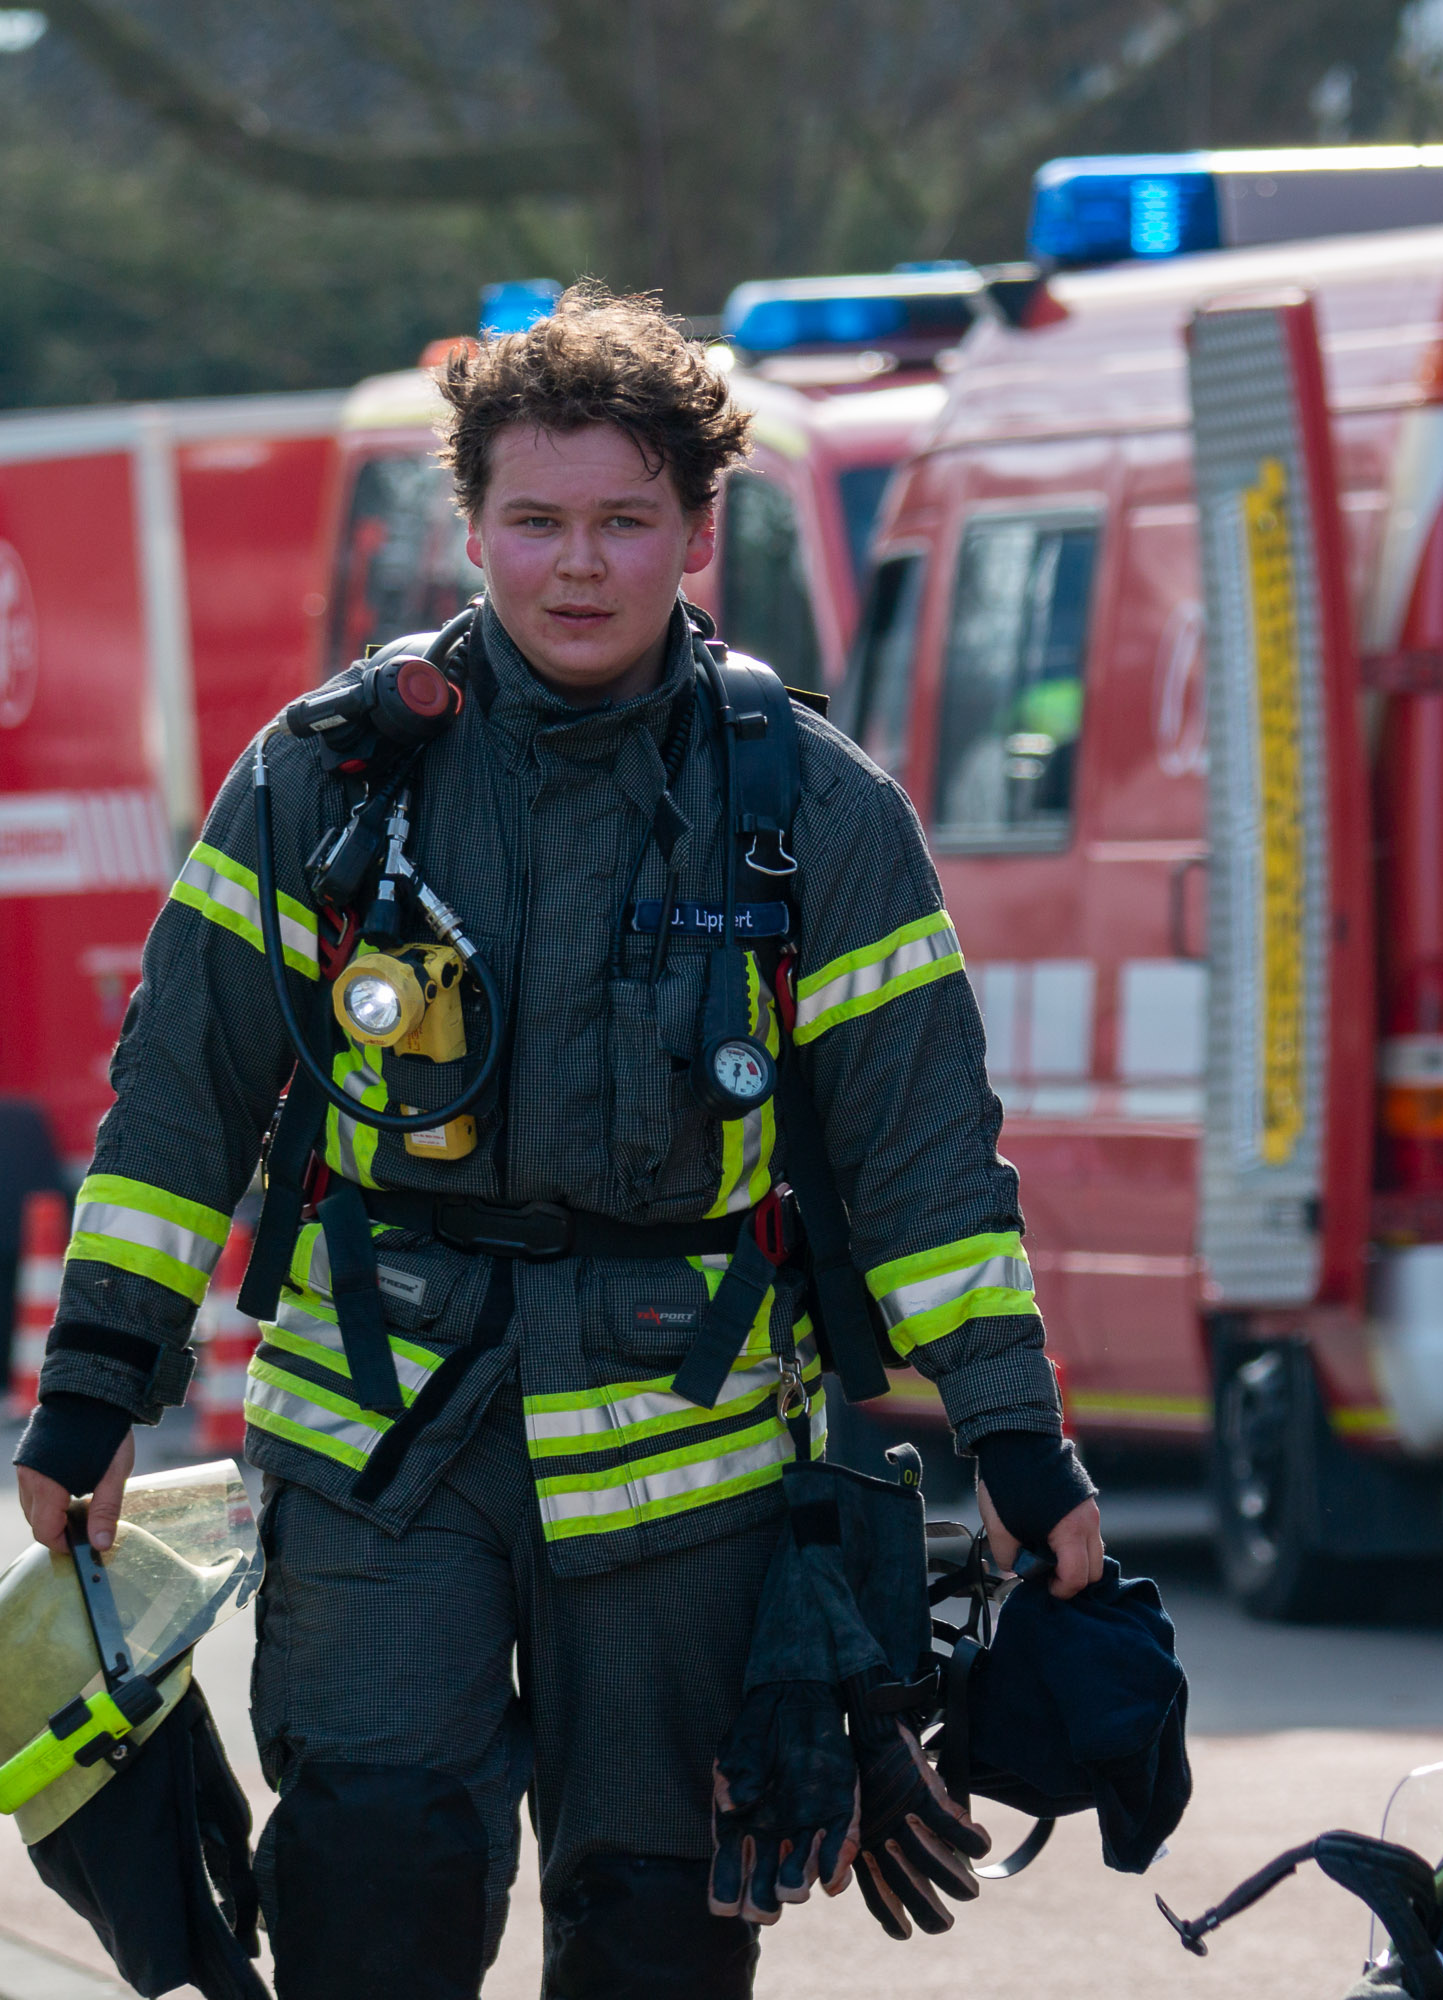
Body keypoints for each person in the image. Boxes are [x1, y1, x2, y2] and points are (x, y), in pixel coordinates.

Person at [11, 286, 1103, 1998]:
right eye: (534, 521)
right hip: (384, 1449)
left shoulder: (818, 812)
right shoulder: (320, 781)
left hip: (691, 1475)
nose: (576, 566)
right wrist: (89, 1396)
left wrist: (1021, 1455)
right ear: (468, 526)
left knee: (660, 1923)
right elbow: (177, 1116)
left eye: (621, 522)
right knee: (373, 1879)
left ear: (695, 529)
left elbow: (925, 1174)